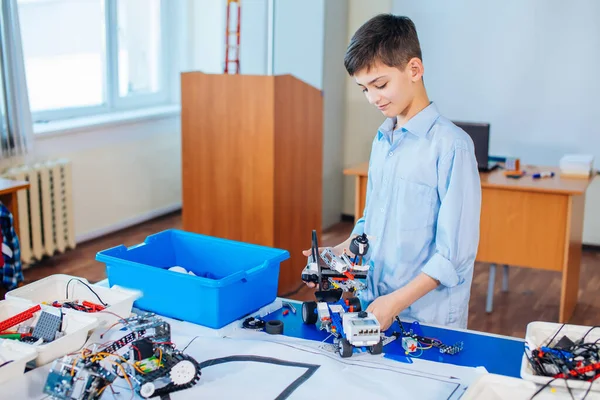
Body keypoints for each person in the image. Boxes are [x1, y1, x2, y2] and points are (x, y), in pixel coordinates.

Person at [303, 14, 481, 331]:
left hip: (426, 317)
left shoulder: (453, 147)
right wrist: (337, 257)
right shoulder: (383, 141)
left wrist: (395, 303)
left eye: (380, 85)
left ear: (414, 69)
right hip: (377, 305)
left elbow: (453, 257)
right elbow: (371, 225)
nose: (373, 98)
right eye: (364, 89)